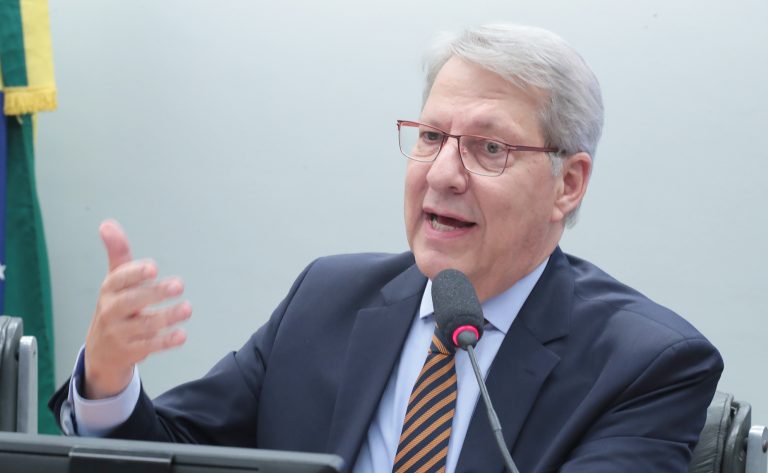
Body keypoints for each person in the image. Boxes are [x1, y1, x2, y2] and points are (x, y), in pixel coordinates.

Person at [50, 24, 723, 473]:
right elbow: (174, 456)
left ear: (567, 185)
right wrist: (107, 381)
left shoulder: (646, 364)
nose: (443, 174)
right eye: (430, 136)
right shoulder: (326, 300)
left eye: (489, 147)